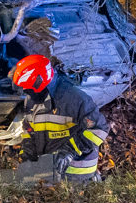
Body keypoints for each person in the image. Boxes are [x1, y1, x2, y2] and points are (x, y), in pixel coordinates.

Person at [11, 54, 109, 183]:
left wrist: (69, 151)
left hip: (77, 171)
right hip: (49, 171)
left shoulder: (74, 98)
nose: (27, 93)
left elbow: (99, 129)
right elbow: (29, 129)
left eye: (28, 89)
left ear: (40, 81)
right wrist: (28, 154)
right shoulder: (32, 100)